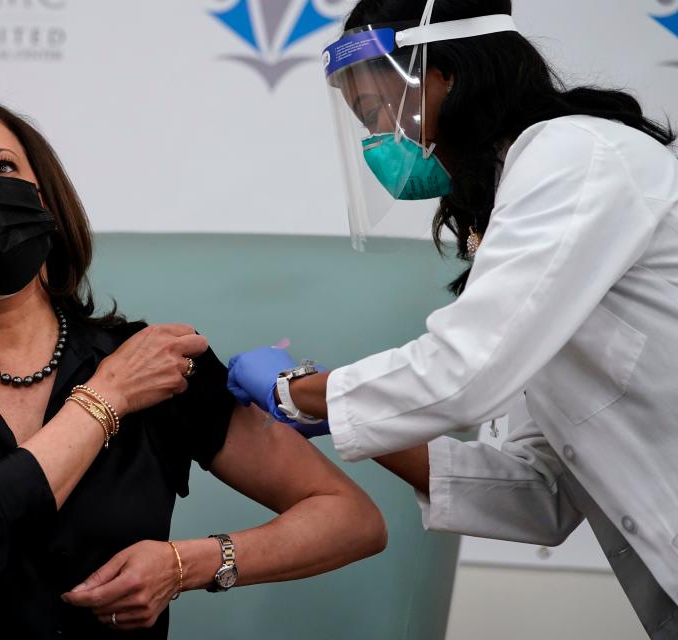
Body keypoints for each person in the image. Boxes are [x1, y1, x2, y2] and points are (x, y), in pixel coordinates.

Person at [0, 98, 387, 639]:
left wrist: (186, 563)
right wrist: (106, 396)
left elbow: (350, 518)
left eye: (3, 166)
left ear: (45, 199)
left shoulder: (157, 363)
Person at [226, 0, 678, 637]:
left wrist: (297, 394)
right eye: (365, 121)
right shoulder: (526, 214)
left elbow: (466, 371)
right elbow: (538, 496)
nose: (383, 141)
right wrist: (340, 413)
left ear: (448, 75)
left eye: (383, 110)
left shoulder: (575, 154)